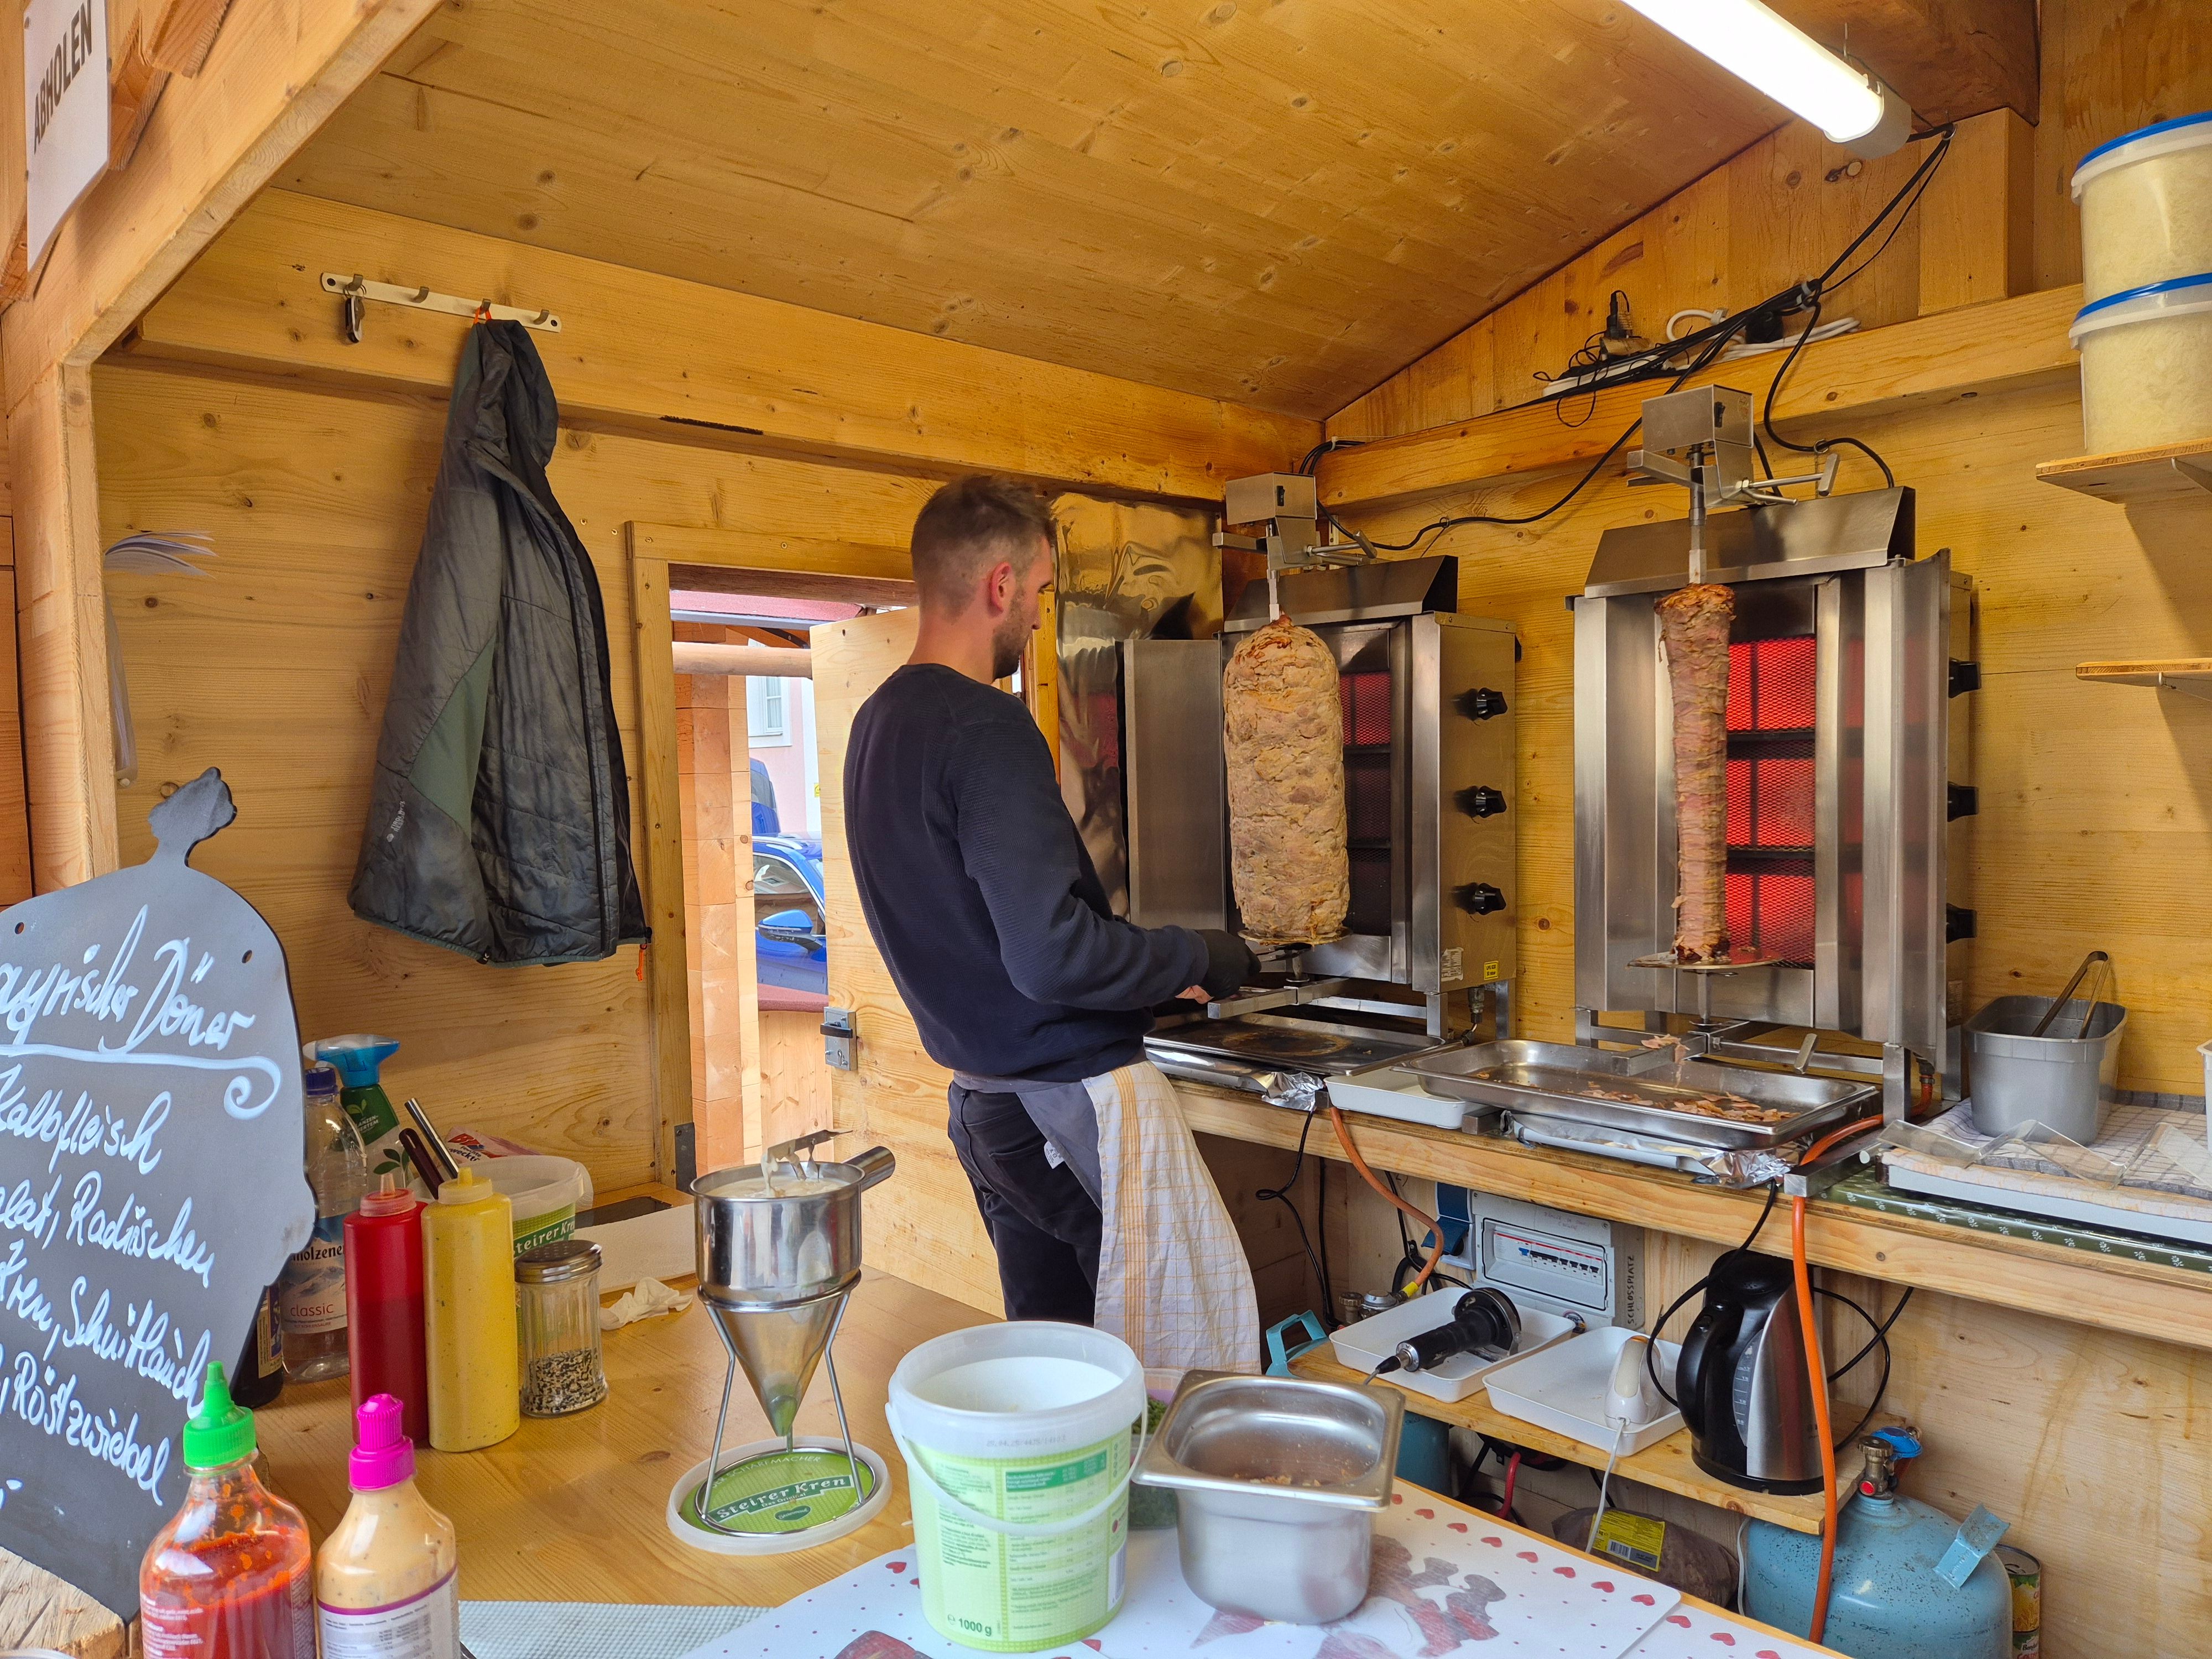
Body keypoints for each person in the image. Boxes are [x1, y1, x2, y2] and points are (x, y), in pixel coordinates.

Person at [844, 474, 1261, 1371]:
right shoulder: (985, 727)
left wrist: (1149, 972)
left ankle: (1065, 1510)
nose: (1037, 617)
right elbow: (1049, 954)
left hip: (985, 1105)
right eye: (1037, 593)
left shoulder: (877, 722)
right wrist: (1206, 954)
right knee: (1169, 1366)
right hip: (1067, 1105)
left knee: (1056, 1354)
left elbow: (975, 929)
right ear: (999, 585)